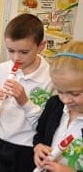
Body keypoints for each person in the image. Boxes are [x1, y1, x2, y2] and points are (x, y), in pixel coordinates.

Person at [0, 13, 54, 172]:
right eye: (11, 51)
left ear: (41, 46)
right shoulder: (0, 70)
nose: (16, 58)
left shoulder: (52, 77)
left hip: (30, 149)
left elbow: (47, 127)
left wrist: (25, 102)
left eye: (24, 52)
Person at [33, 40, 83, 172]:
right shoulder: (55, 104)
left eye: (75, 93)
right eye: (60, 91)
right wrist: (38, 147)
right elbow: (40, 134)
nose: (65, 100)